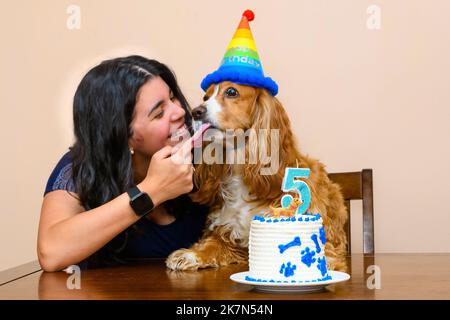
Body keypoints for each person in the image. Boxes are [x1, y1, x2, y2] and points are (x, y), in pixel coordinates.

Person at [37, 55, 208, 272]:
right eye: (159, 113)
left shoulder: (208, 152)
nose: (181, 112)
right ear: (121, 135)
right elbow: (51, 253)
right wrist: (152, 191)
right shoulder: (82, 166)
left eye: (172, 98)